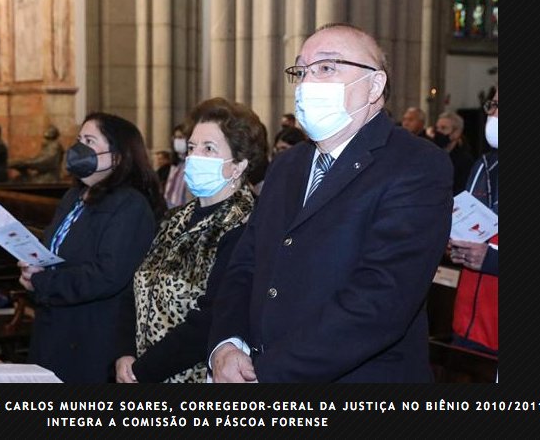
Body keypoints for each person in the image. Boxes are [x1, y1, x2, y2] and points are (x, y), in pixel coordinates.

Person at [209, 23, 453, 383]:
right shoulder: (287, 165)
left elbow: (379, 301)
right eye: (301, 70)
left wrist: (267, 374)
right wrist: (226, 345)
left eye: (326, 67)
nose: (307, 82)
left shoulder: (417, 164)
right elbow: (245, 264)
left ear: (374, 86)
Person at [115, 97, 267, 383]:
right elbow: (133, 288)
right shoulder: (175, 218)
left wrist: (143, 370)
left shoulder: (247, 223)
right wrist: (124, 353)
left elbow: (211, 318)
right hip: (139, 370)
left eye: (209, 149)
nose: (195, 157)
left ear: (239, 164)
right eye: (192, 148)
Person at [18, 113, 166, 382]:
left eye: (89, 140)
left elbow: (107, 275)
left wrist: (43, 282)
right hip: (55, 323)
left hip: (91, 334)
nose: (78, 148)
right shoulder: (73, 196)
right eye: (78, 140)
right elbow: (55, 248)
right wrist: (32, 266)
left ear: (117, 156)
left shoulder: (130, 205)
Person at [449, 88, 498, 355]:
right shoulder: (485, 164)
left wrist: (491, 259)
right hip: (469, 320)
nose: (491, 113)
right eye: (492, 104)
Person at [432, 111, 474, 195]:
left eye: (443, 128)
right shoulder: (431, 155)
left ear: (457, 133)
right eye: (437, 128)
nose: (438, 132)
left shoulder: (465, 161)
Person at [163, 124, 192, 208]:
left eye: (181, 137)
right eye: (176, 137)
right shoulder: (176, 165)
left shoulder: (193, 165)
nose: (177, 141)